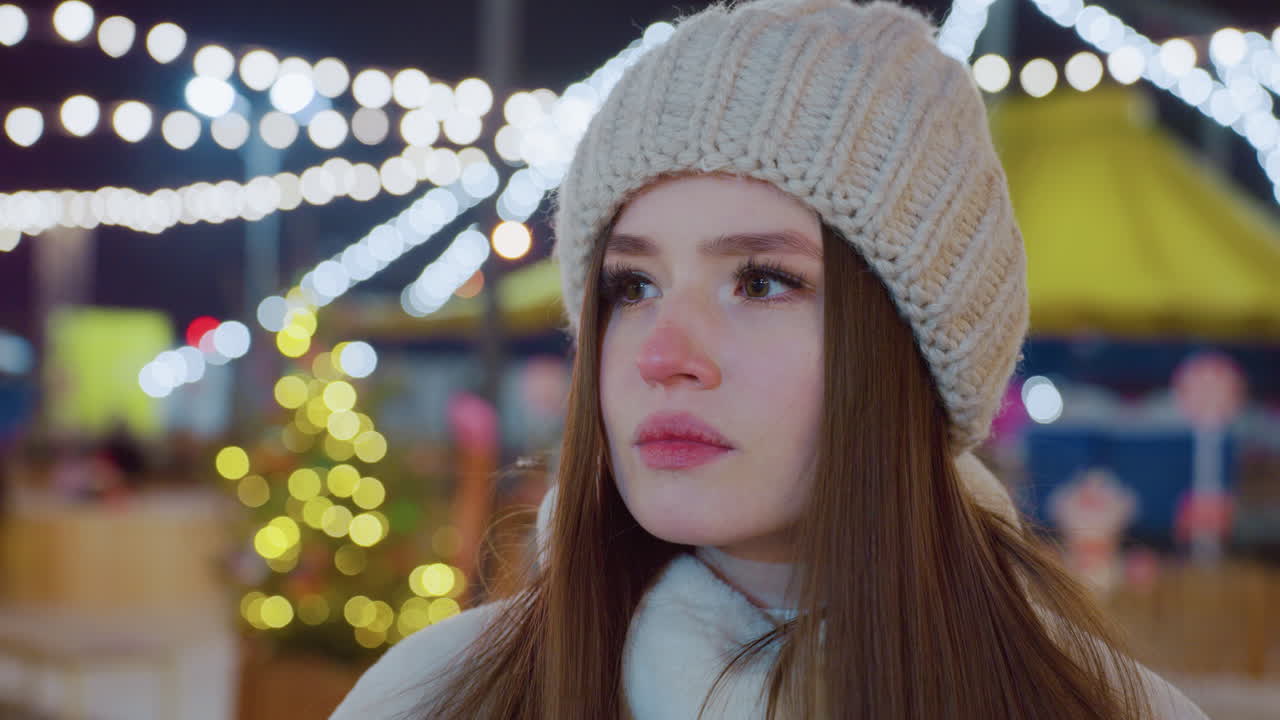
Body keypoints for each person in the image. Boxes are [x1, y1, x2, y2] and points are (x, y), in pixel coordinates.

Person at [332, 1, 1208, 717]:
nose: (664, 356)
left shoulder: (1106, 707)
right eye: (630, 287)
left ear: (911, 346)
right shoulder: (430, 700)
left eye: (761, 280)